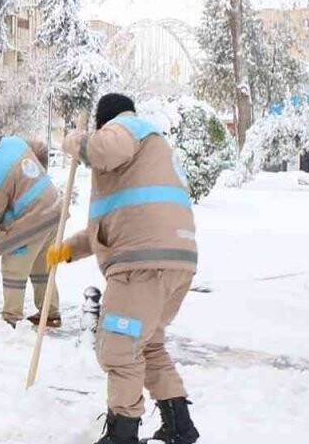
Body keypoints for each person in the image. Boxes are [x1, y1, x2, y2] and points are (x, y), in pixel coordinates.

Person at [47, 93, 201, 444]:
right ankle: (179, 426)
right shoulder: (148, 155)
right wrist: (66, 251)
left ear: (105, 122)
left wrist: (75, 141)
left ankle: (122, 436)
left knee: (118, 347)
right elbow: (106, 230)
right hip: (174, 261)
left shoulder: (126, 127)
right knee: (147, 345)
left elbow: (102, 149)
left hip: (141, 265)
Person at [0, 124, 62, 328]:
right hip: (53, 209)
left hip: (32, 219)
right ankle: (49, 314)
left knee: (13, 268)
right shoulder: (13, 143)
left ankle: (11, 318)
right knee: (42, 268)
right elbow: (38, 153)